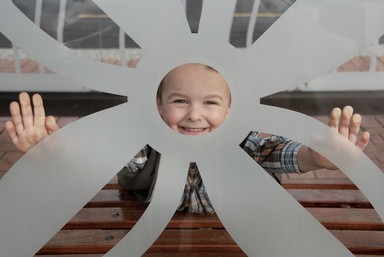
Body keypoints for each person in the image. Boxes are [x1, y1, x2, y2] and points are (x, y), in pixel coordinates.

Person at [5, 63, 370, 214]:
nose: (195, 114)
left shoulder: (248, 140)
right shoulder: (146, 144)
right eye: (180, 101)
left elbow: (281, 153)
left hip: (234, 231)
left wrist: (317, 155)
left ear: (230, 110)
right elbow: (106, 157)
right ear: (159, 107)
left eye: (210, 103)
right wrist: (53, 151)